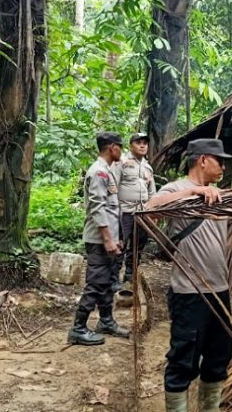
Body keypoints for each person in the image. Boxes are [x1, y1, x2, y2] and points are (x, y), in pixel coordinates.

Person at [146, 138, 232, 412]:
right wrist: (193, 192)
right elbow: (150, 209)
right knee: (183, 360)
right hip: (189, 293)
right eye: (220, 160)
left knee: (218, 359)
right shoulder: (177, 189)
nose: (224, 165)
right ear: (203, 160)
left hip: (219, 291)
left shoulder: (218, 195)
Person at [67, 132, 130, 345]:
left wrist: (116, 237)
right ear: (112, 148)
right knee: (95, 283)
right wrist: (107, 239)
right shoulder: (98, 173)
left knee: (107, 282)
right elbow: (97, 207)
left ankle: (105, 321)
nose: (121, 151)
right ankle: (78, 328)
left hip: (108, 238)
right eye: (120, 146)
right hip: (98, 240)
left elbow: (113, 210)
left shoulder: (107, 171)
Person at [114, 132, 156, 288]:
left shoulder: (148, 167)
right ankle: (114, 277)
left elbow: (152, 191)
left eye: (145, 142)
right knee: (120, 244)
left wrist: (153, 210)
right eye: (138, 142)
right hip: (124, 211)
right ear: (131, 145)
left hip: (142, 213)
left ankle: (130, 273)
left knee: (138, 244)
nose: (143, 145)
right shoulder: (121, 162)